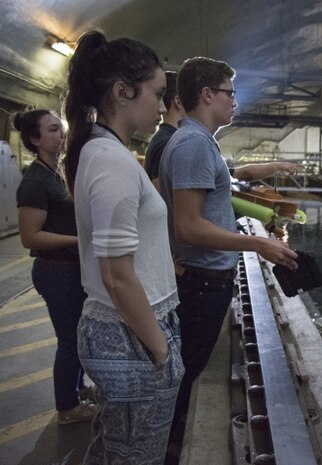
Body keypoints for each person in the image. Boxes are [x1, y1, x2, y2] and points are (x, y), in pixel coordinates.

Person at [158, 56, 298, 463]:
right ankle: (167, 450)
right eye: (229, 93)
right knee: (182, 376)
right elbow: (188, 226)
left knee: (187, 372)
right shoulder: (193, 144)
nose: (234, 102)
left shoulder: (197, 142)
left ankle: (168, 442)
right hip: (200, 284)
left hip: (205, 280)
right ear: (206, 95)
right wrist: (259, 246)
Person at [63, 30, 184, 464]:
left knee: (115, 449)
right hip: (131, 333)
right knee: (136, 457)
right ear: (122, 91)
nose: (162, 106)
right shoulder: (112, 161)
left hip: (126, 329)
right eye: (157, 94)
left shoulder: (103, 151)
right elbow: (117, 274)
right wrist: (161, 349)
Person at [14, 109, 97, 425]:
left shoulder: (55, 171)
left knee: (77, 336)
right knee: (69, 341)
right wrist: (78, 240)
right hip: (55, 272)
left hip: (68, 269)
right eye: (52, 130)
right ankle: (67, 407)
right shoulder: (35, 181)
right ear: (35, 139)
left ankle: (76, 390)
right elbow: (29, 236)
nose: (61, 135)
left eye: (60, 129)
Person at [143, 71, 186, 191]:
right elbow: (162, 194)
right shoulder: (167, 142)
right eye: (189, 97)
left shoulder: (166, 137)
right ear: (178, 102)